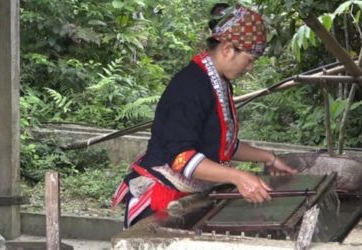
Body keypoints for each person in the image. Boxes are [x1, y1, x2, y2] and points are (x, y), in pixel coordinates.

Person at [111, 4, 299, 228]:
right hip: (161, 203)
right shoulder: (190, 86)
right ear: (228, 48)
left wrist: (269, 157)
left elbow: (222, 145)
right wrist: (237, 177)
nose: (249, 68)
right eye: (249, 60)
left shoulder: (217, 81)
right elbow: (181, 158)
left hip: (187, 198)